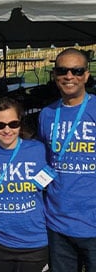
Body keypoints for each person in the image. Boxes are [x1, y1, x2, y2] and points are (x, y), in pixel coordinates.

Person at [38, 47, 96, 272]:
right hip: (58, 221)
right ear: (55, 76)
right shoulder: (47, 114)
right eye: (62, 70)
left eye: (77, 70)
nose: (69, 76)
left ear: (86, 75)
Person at [0, 97, 49, 272]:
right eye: (0, 125)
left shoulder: (38, 150)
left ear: (20, 123)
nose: (7, 130)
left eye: (13, 124)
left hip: (35, 241)